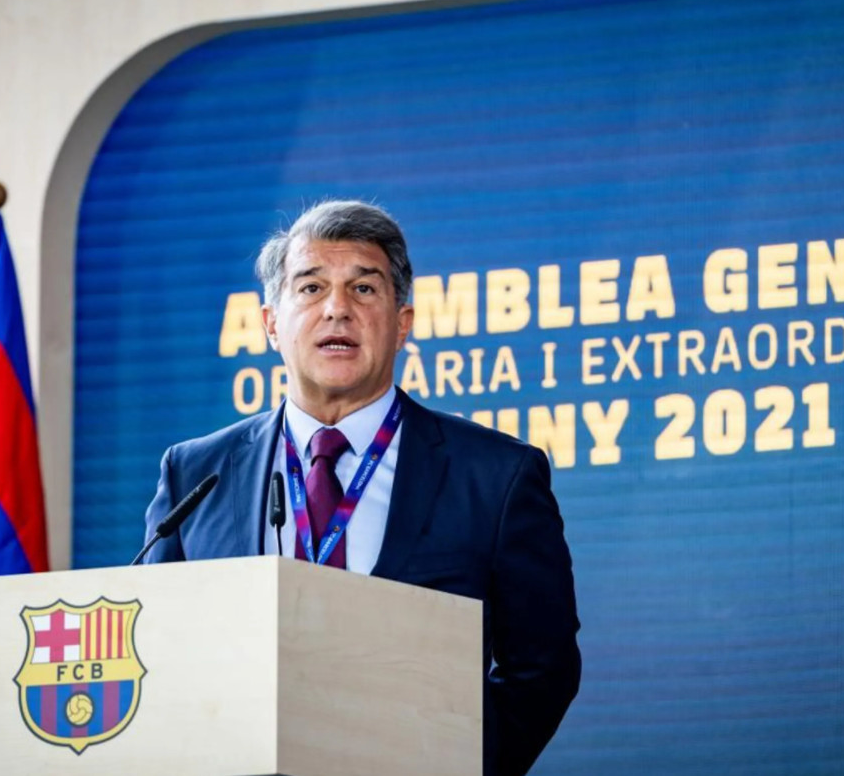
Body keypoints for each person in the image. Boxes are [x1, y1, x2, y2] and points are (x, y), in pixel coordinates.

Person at [142, 200, 581, 776]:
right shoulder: (193, 475)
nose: (337, 310)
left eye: (365, 289)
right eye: (311, 288)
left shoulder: (496, 476)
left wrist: (461, 764)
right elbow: (161, 649)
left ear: (402, 324)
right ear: (272, 323)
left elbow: (541, 667)